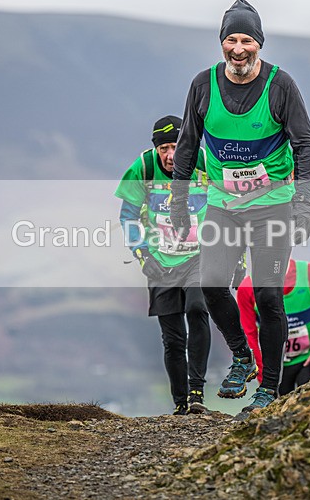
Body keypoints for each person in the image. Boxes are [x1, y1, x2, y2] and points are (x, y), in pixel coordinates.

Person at [169, 0, 310, 413]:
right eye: (231, 40)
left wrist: (304, 203)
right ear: (222, 43)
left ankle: (268, 389)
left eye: (247, 41)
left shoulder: (280, 85)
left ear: (259, 44)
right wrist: (179, 202)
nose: (238, 49)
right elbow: (187, 144)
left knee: (268, 296)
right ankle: (241, 356)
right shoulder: (203, 85)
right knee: (212, 284)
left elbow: (305, 144)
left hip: (273, 205)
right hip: (223, 205)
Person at [114, 115, 211, 415]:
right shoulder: (143, 168)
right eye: (164, 148)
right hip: (160, 260)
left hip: (199, 256)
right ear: (156, 149)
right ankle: (181, 403)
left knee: (197, 308)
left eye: (177, 146)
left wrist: (238, 258)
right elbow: (127, 216)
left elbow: (231, 207)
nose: (170, 155)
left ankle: (197, 392)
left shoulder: (206, 162)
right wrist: (143, 254)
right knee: (173, 339)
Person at [238, 259, 310, 395]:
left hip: (309, 357)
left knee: (308, 396)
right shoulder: (247, 288)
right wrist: (263, 377)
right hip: (275, 365)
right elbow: (249, 337)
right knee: (280, 402)